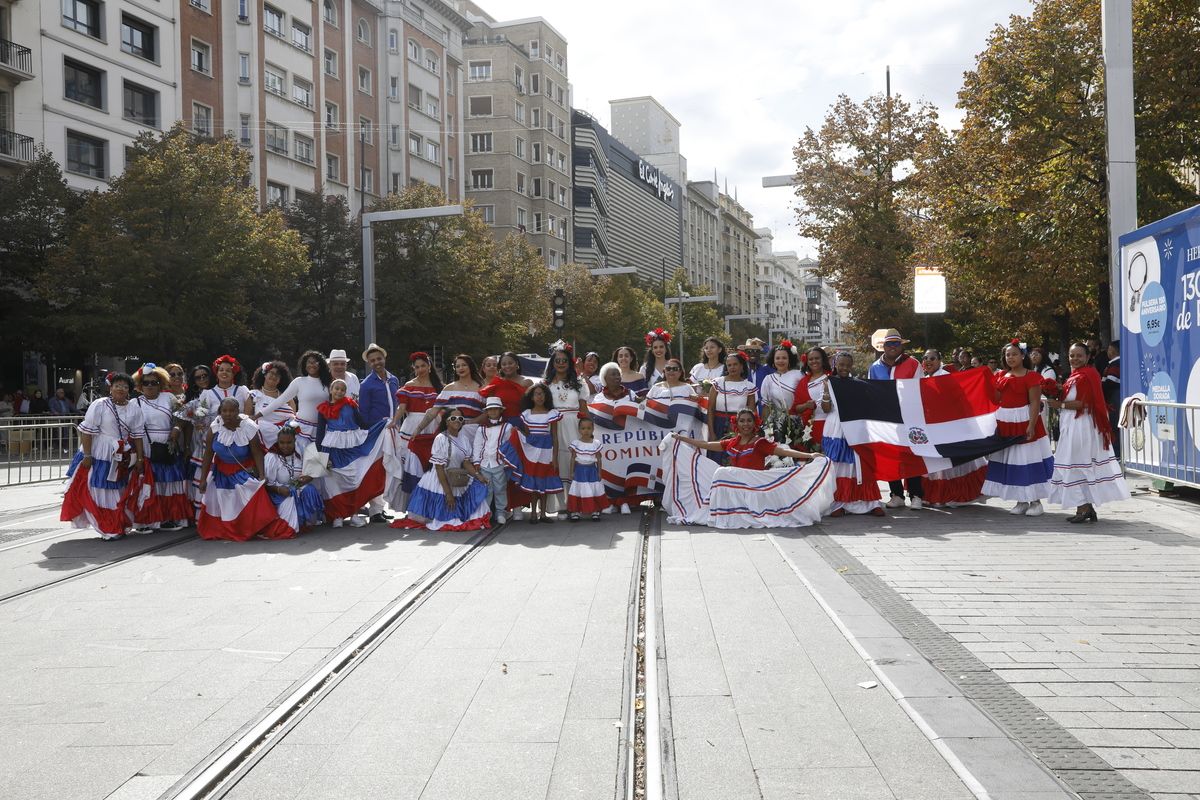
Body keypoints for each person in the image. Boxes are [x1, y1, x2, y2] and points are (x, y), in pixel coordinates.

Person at [665, 409, 829, 529]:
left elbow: (783, 451)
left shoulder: (759, 442)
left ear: (755, 423)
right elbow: (706, 445)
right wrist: (681, 438)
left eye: (749, 420)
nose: (746, 424)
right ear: (736, 424)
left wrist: (809, 455)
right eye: (742, 421)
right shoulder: (732, 442)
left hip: (754, 484)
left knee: (722, 472)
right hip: (738, 485)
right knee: (721, 472)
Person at [1047, 343, 1130, 522]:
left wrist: (1059, 404)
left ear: (1087, 357)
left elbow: (1083, 403)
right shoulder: (1078, 375)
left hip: (1082, 426)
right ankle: (1086, 507)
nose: (1075, 359)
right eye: (1072, 355)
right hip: (1074, 424)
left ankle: (1083, 508)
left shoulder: (1086, 374)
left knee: (1077, 463)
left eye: (1079, 355)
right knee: (1080, 463)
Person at [60, 373, 146, 540]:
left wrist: (140, 459)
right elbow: (87, 432)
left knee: (119, 491)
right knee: (101, 490)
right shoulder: (100, 405)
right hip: (101, 452)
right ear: (110, 388)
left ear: (129, 390)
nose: (121, 389)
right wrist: (87, 454)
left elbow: (138, 436)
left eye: (125, 386)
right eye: (117, 385)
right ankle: (108, 527)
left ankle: (117, 524)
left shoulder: (134, 408)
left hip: (122, 455)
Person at [982, 340, 1054, 516]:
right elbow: (996, 398)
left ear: (1022, 355)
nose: (1011, 358)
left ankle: (1036, 502)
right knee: (1012, 461)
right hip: (1006, 422)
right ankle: (1021, 500)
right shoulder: (1000, 377)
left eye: (1014, 354)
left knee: (1028, 459)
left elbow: (1035, 402)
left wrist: (1031, 424)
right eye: (1008, 355)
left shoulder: (1031, 376)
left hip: (1024, 420)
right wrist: (984, 381)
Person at [196, 398, 281, 541]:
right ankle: (225, 531)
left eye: (231, 411)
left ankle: (252, 529)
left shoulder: (248, 426)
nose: (228, 414)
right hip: (220, 472)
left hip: (242, 471)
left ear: (238, 411)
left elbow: (257, 452)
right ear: (220, 412)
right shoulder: (215, 427)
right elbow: (208, 453)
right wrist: (203, 479)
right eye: (224, 411)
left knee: (251, 498)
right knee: (224, 504)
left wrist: (261, 475)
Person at [392, 411, 491, 531]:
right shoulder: (441, 438)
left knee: (480, 497)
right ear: (447, 421)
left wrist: (478, 476)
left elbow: (466, 462)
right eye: (453, 418)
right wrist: (448, 494)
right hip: (440, 478)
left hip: (456, 476)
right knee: (449, 518)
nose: (457, 420)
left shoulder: (464, 438)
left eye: (460, 418)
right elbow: (439, 468)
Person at [918, 350, 987, 508]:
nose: (929, 361)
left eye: (933, 358)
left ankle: (954, 495)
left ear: (940, 360)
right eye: (925, 358)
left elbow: (958, 399)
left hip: (949, 426)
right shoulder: (923, 379)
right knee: (936, 463)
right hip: (932, 427)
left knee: (951, 462)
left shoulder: (946, 376)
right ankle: (935, 495)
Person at [315, 379, 387, 528]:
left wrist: (381, 424)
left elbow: (363, 424)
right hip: (332, 448)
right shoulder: (323, 409)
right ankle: (338, 516)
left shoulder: (351, 405)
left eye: (342, 389)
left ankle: (354, 514)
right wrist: (321, 457)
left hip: (352, 447)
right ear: (331, 390)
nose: (339, 392)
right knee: (334, 483)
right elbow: (320, 434)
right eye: (337, 389)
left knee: (355, 481)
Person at [820, 352, 885, 517]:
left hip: (855, 426)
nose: (844, 368)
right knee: (840, 465)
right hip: (836, 429)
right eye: (841, 364)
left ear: (852, 366)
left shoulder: (857, 384)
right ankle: (839, 502)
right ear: (835, 364)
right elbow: (826, 409)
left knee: (859, 464)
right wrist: (827, 390)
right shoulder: (828, 382)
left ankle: (870, 502)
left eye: (848, 365)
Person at [131, 364, 190, 531]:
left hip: (168, 444)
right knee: (149, 484)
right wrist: (139, 456)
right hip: (146, 446)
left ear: (161, 383)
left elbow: (183, 416)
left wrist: (177, 428)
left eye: (154, 382)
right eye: (146, 383)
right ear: (140, 385)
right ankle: (145, 521)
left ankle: (167, 518)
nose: (150, 386)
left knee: (167, 483)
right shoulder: (135, 403)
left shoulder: (169, 398)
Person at [869, 329, 923, 509]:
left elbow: (922, 390)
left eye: (896, 344)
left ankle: (916, 495)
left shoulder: (913, 364)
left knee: (912, 456)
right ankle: (896, 495)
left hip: (910, 418)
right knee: (890, 456)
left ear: (902, 346)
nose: (893, 347)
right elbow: (871, 392)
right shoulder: (874, 367)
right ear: (882, 346)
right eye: (889, 344)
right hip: (886, 419)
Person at [254, 350, 333, 453]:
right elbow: (279, 401)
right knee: (300, 462)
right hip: (301, 430)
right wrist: (257, 415)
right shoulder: (299, 381)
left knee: (319, 463)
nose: (311, 365)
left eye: (314, 362)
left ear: (321, 364)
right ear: (305, 365)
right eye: (309, 362)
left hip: (322, 430)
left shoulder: (328, 383)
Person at [544, 343, 589, 514]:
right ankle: (560, 505)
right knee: (557, 462)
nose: (561, 363)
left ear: (569, 363)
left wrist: (588, 431)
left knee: (575, 461)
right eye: (557, 360)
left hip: (573, 425)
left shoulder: (578, 383)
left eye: (564, 360)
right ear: (552, 363)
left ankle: (575, 503)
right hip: (554, 426)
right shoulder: (546, 384)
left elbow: (584, 408)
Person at [359, 343, 400, 523]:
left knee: (387, 468)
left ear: (384, 358)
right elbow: (364, 412)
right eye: (373, 360)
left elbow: (398, 404)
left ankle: (381, 507)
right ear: (369, 363)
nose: (377, 362)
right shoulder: (367, 384)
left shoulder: (394, 380)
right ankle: (374, 510)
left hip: (393, 429)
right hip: (376, 431)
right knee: (376, 468)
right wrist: (369, 432)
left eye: (379, 359)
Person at [261, 422, 325, 537]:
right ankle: (292, 521)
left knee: (310, 490)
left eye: (289, 442)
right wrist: (280, 490)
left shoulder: (301, 450)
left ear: (295, 441)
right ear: (277, 442)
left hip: (297, 489)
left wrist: (307, 478)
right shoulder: (271, 457)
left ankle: (305, 522)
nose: (285, 446)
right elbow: (266, 485)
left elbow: (316, 468)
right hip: (279, 494)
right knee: (286, 530)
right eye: (282, 443)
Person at [515, 383, 564, 522]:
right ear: (531, 397)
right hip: (532, 452)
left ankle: (543, 514)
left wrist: (555, 457)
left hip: (546, 451)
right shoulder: (527, 414)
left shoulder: (551, 413)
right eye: (536, 393)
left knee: (544, 481)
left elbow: (555, 437)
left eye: (542, 393)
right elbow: (527, 435)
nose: (539, 396)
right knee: (534, 483)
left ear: (546, 396)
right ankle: (533, 513)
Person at [414, 354, 485, 448]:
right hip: (453, 433)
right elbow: (433, 412)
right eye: (457, 366)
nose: (460, 368)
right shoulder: (449, 388)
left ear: (470, 366)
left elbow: (487, 412)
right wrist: (418, 429)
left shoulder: (481, 388)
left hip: (474, 433)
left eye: (464, 365)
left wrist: (472, 422)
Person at [472, 397, 517, 525]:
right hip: (485, 463)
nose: (492, 412)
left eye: (495, 409)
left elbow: (510, 445)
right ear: (487, 411)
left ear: (500, 410)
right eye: (490, 409)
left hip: (500, 464)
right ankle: (487, 513)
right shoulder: (481, 428)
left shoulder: (507, 427)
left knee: (500, 488)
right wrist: (476, 461)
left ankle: (501, 512)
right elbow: (477, 445)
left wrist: (507, 461)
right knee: (487, 489)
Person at [706, 351, 757, 460]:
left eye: (735, 364)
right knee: (717, 459)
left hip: (741, 427)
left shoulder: (749, 386)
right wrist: (711, 432)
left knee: (736, 459)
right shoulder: (717, 383)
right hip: (719, 425)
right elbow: (710, 409)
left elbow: (753, 413)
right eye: (729, 365)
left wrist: (751, 435)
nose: (732, 367)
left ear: (742, 366)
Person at [245, 360, 296, 451]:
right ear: (264, 374)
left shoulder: (288, 398)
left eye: (278, 375)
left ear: (281, 379)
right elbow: (247, 420)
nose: (274, 376)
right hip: (259, 446)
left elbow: (293, 420)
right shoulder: (253, 396)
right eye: (271, 373)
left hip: (286, 445)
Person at [566, 417, 608, 521]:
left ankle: (595, 511)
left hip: (592, 471)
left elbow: (598, 459)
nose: (586, 431)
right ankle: (575, 512)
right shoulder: (576, 443)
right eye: (583, 428)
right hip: (579, 471)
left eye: (589, 428)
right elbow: (573, 459)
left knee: (593, 490)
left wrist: (599, 472)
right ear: (579, 430)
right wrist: (571, 472)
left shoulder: (596, 443)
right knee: (578, 490)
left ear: (593, 429)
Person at [792, 346, 832, 448]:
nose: (814, 361)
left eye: (817, 358)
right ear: (807, 362)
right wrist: (806, 405)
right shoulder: (803, 382)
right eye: (811, 359)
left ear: (823, 360)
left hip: (832, 425)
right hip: (811, 427)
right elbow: (796, 408)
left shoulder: (832, 378)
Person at [480, 351, 533, 424]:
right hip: (500, 424)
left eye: (510, 363)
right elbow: (487, 403)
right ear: (500, 367)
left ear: (517, 364)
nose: (507, 366)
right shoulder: (497, 382)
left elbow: (533, 406)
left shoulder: (527, 382)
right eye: (504, 364)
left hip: (523, 423)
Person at [759, 340, 805, 417]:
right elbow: (766, 407)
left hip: (798, 419)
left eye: (784, 358)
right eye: (777, 358)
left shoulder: (799, 375)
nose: (781, 361)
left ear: (789, 359)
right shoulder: (768, 379)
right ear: (773, 360)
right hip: (778, 422)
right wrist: (766, 427)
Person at [1030, 347, 1058, 440]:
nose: (1034, 356)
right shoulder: (1034, 369)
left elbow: (1047, 388)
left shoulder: (1048, 370)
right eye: (1032, 354)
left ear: (1043, 356)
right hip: (1035, 403)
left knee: (1044, 429)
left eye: (1036, 354)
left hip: (1044, 404)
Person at [1102, 340, 1121, 460]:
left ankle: (1117, 452)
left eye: (1108, 349)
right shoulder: (1116, 363)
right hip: (1114, 398)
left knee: (1114, 425)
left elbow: (1111, 382)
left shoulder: (1115, 364)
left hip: (1114, 398)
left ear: (1112, 350)